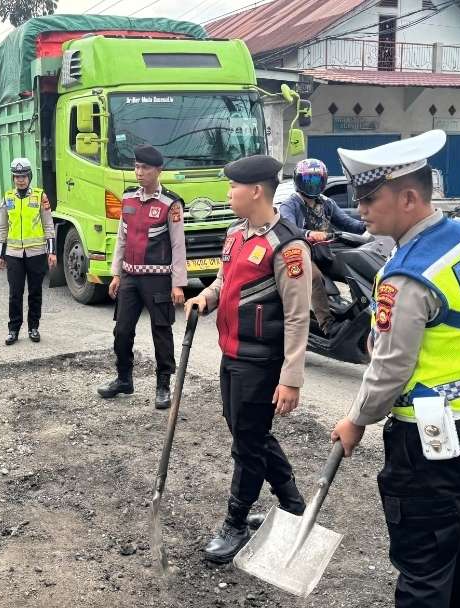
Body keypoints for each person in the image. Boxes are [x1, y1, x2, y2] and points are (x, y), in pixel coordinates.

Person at [329, 130, 460, 608]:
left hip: (432, 438)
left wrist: (356, 420)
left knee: (423, 567)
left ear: (408, 197)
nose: (360, 209)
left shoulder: (407, 274)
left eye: (369, 198)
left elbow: (389, 370)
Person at [183, 154, 312, 563]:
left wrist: (291, 378)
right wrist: (205, 297)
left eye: (233, 187)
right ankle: (292, 503)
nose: (228, 193)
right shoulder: (236, 234)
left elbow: (297, 314)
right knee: (248, 433)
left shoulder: (288, 245)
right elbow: (224, 279)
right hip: (231, 353)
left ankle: (235, 522)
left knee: (247, 444)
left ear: (256, 191)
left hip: (261, 362)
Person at [99, 145, 187, 410]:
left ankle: (163, 385)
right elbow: (121, 239)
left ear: (158, 171)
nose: (139, 172)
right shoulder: (127, 200)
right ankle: (124, 378)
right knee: (122, 330)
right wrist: (116, 274)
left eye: (145, 168)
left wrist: (179, 284)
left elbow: (178, 245)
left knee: (161, 331)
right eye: (136, 167)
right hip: (130, 278)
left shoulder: (170, 204)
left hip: (158, 279)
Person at [278, 158, 366, 334]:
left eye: (317, 181)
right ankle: (327, 325)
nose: (312, 185)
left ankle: (358, 313)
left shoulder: (327, 203)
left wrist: (370, 224)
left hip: (323, 254)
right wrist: (309, 234)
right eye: (308, 181)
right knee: (315, 277)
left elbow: (349, 224)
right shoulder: (291, 204)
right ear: (298, 181)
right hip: (299, 254)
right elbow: (289, 229)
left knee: (353, 268)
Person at [0, 157, 56, 344]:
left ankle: (33, 328)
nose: (20, 180)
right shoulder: (8, 198)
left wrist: (52, 252)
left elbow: (49, 226)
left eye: (23, 176)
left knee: (35, 292)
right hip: (14, 254)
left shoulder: (40, 196)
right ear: (13, 178)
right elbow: (3, 228)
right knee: (15, 293)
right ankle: (13, 330)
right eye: (16, 176)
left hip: (36, 253)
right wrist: (0, 254)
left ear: (29, 176)